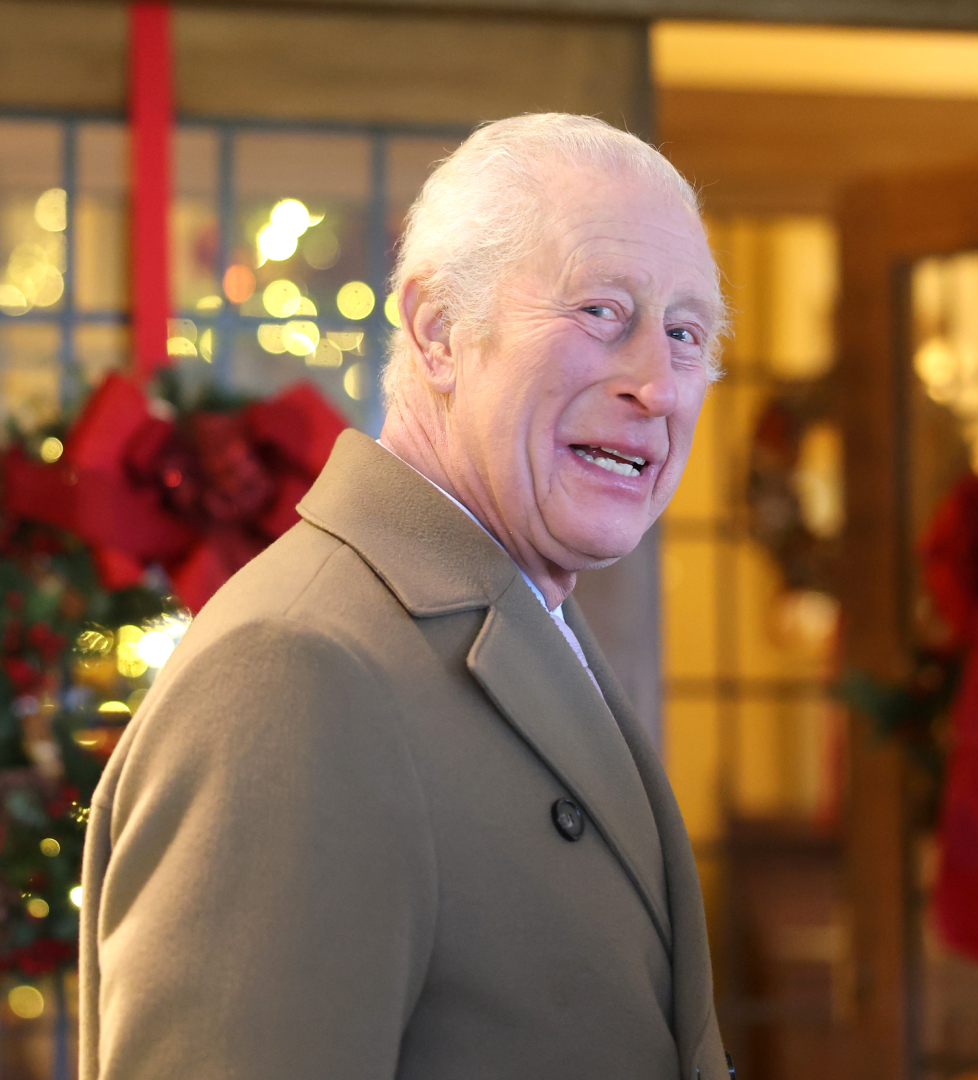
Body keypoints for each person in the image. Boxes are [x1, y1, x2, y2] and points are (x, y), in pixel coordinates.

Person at [79, 113, 730, 1080]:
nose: (657, 385)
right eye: (603, 312)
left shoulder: (522, 611)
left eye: (686, 335)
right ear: (437, 332)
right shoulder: (296, 671)